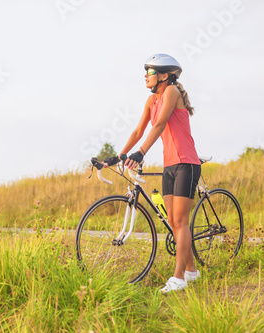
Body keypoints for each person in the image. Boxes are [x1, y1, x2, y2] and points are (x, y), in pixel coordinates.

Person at [103, 54, 201, 294]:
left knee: (180, 221)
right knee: (172, 221)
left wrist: (141, 153)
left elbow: (158, 126)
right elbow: (139, 129)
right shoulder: (152, 100)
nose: (145, 76)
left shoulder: (171, 92)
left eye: (149, 72)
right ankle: (192, 272)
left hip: (187, 164)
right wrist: (121, 154)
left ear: (164, 75)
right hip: (170, 166)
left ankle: (179, 278)